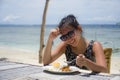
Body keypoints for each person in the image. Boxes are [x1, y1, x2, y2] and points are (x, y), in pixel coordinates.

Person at [43, 14, 108, 73]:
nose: (68, 39)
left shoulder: (94, 46)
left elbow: (104, 70)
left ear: (79, 29)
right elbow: (46, 62)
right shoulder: (65, 45)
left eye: (70, 34)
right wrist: (50, 39)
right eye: (64, 37)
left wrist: (86, 63)